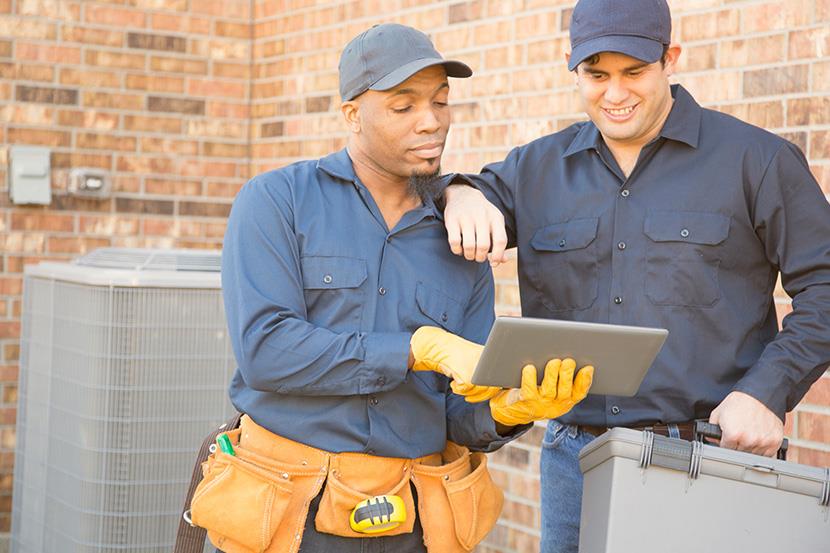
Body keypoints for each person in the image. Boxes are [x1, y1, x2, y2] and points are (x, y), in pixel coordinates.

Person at [441, 1, 830, 551]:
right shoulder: (534, 170)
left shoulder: (757, 161)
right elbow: (450, 204)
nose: (615, 94)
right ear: (572, 66)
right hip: (573, 465)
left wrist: (768, 392)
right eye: (597, 75)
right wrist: (457, 193)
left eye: (634, 72)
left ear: (670, 59)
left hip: (710, 460)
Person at [189, 23, 593, 553]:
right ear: (352, 115)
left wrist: (509, 408)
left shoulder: (459, 240)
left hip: (413, 523)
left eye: (441, 102)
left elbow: (455, 414)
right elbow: (266, 350)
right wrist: (414, 348)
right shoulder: (277, 201)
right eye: (403, 107)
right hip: (285, 511)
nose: (430, 123)